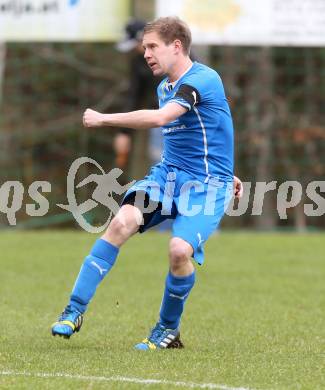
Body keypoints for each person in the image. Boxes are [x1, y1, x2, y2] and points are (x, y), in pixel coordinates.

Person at [51, 16, 243, 350]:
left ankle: (167, 330)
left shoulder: (202, 79)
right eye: (144, 48)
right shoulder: (164, 86)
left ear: (177, 46)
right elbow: (207, 131)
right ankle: (73, 310)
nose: (146, 54)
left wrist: (104, 118)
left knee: (178, 251)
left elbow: (160, 119)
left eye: (152, 46)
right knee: (121, 222)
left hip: (207, 186)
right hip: (168, 176)